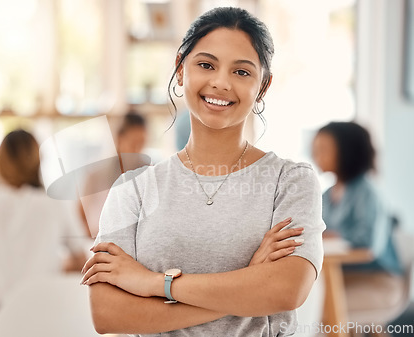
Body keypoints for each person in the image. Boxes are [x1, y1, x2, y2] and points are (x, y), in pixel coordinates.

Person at [81, 7, 325, 336]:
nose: (221, 82)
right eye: (206, 65)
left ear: (263, 86)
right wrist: (247, 284)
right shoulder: (133, 188)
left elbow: (286, 291)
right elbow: (108, 314)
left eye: (241, 72)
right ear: (181, 70)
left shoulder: (291, 181)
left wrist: (153, 283)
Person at [0, 129, 87, 337]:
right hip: (46, 319)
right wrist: (53, 263)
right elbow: (82, 262)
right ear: (39, 161)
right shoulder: (54, 205)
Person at [312, 122, 404, 313]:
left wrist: (332, 235)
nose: (316, 156)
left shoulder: (367, 192)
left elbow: (368, 243)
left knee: (316, 311)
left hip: (377, 281)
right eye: (315, 149)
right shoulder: (327, 195)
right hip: (337, 278)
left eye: (323, 149)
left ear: (347, 151)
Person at [79, 111, 148, 237]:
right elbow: (80, 214)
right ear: (119, 139)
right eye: (133, 143)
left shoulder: (149, 172)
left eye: (141, 143)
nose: (137, 149)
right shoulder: (95, 174)